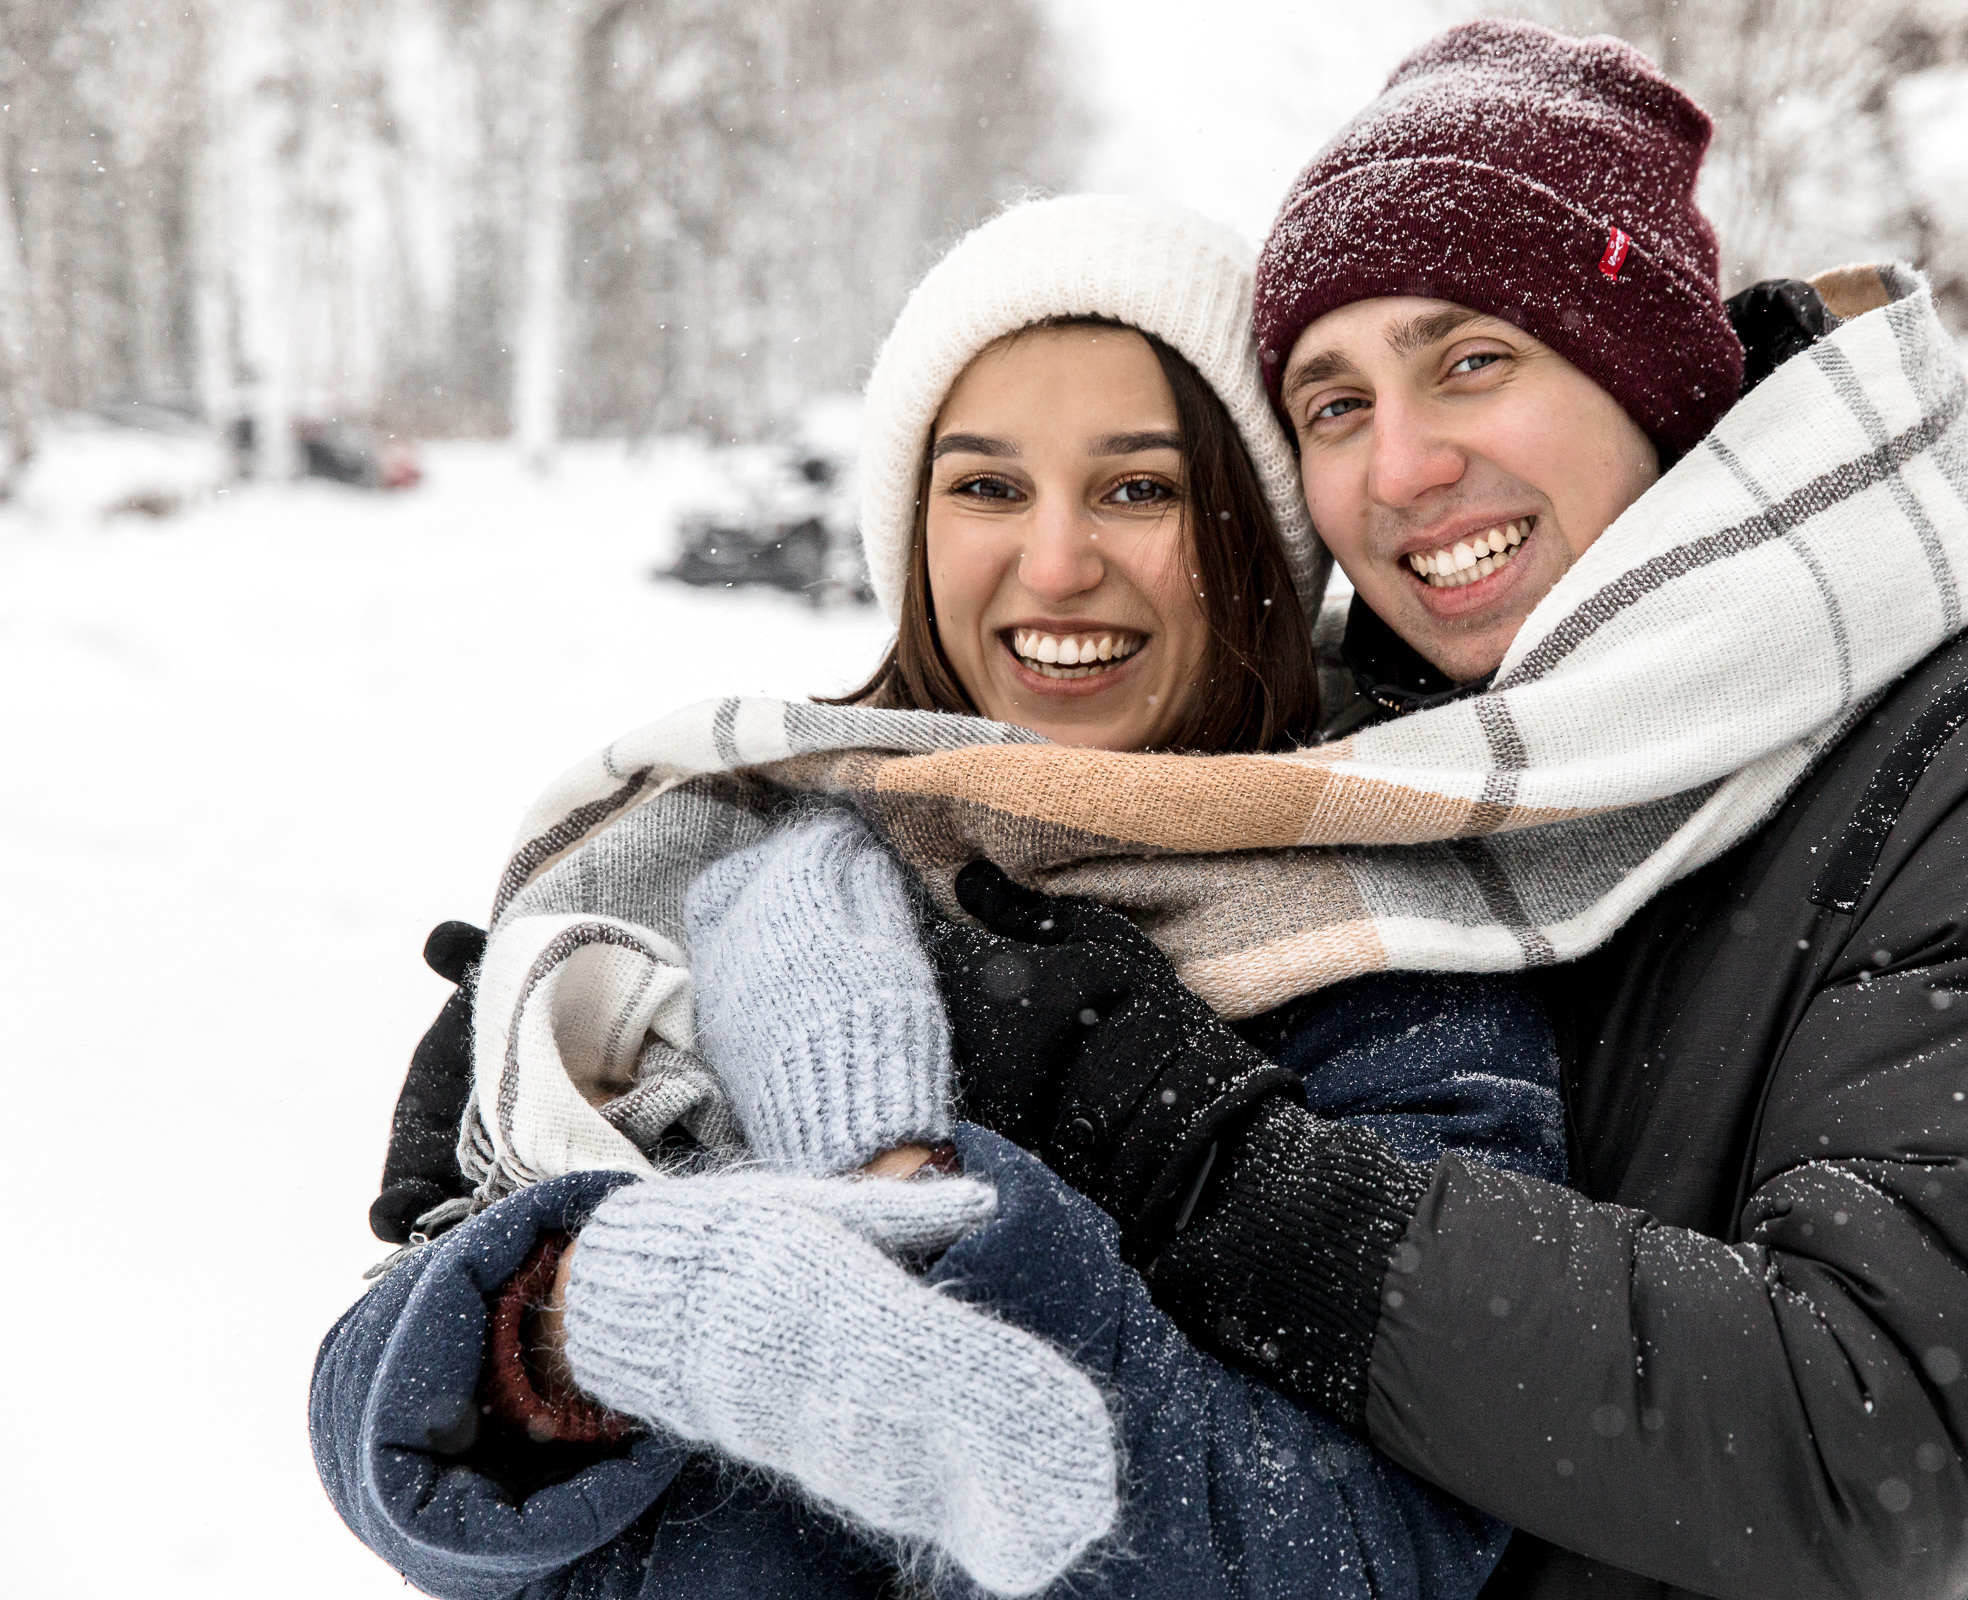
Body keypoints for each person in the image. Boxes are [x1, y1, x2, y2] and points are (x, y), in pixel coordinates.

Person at [921, 23, 1968, 1600]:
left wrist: (1207, 1166)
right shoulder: (1372, 785)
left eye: (1473, 361)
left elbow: (1874, 1446)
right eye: (1332, 403)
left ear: (1645, 378)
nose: (1401, 466)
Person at [313, 196, 1561, 1599]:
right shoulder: (689, 857)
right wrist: (575, 1318)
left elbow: (1386, 1552)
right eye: (985, 488)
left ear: (1256, 547)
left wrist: (945, 1205)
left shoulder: (1397, 940)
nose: (1054, 563)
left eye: (1139, 489)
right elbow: (383, 1428)